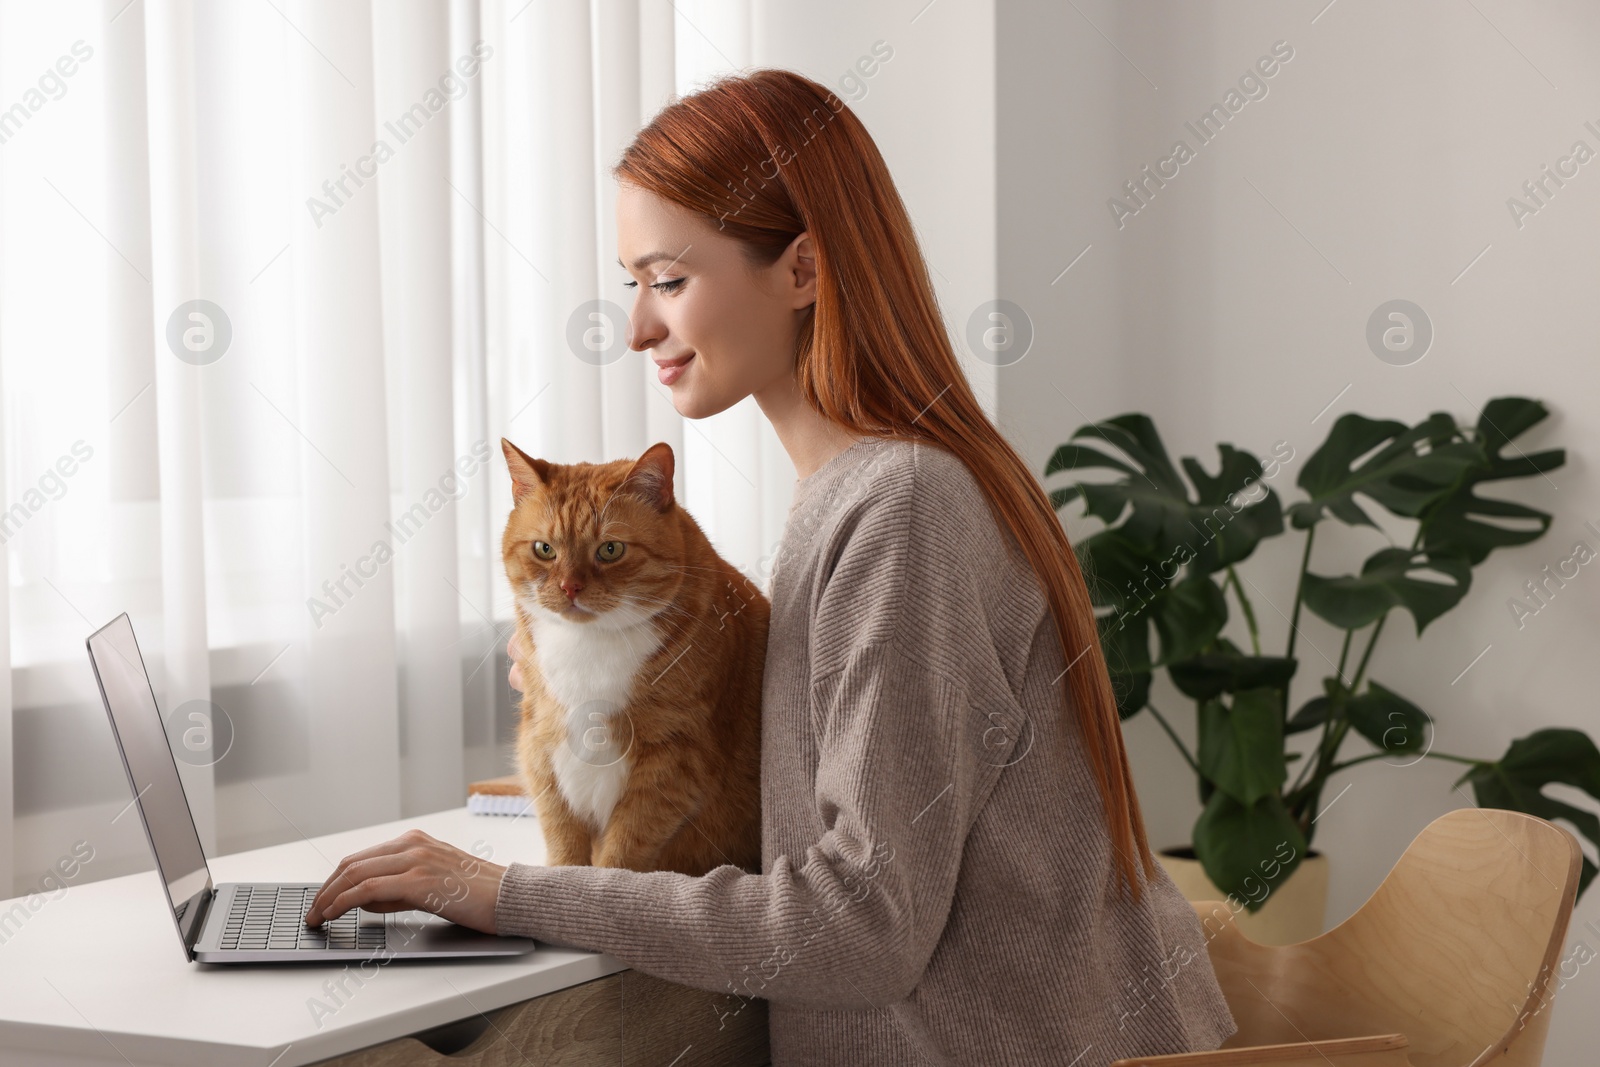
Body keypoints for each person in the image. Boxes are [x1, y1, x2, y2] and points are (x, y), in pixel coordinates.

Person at [305, 68, 1238, 1064]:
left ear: (801, 271)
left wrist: (505, 892)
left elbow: (861, 921)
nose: (637, 328)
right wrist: (609, 667)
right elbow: (829, 781)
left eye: (667, 280)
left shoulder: (900, 511)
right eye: (633, 284)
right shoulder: (859, 490)